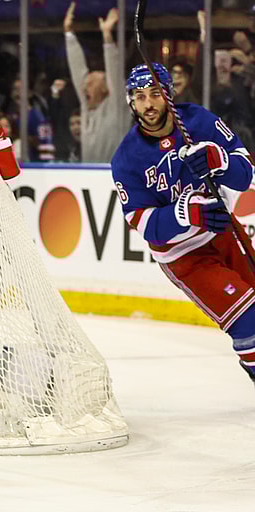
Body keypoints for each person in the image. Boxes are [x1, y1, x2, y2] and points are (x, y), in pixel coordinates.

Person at [112, 63, 255, 389]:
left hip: (224, 233)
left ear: (169, 95)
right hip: (185, 257)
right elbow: (143, 224)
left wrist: (218, 159)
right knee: (248, 319)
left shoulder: (199, 121)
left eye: (155, 94)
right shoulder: (126, 158)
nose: (148, 104)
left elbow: (245, 172)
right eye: (139, 96)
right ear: (131, 102)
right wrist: (186, 212)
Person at [64, 2, 131, 162]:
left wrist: (107, 36)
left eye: (91, 83)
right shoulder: (87, 109)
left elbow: (114, 72)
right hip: (90, 179)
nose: (84, 86)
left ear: (105, 88)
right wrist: (68, 33)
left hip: (115, 179)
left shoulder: (117, 106)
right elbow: (77, 69)